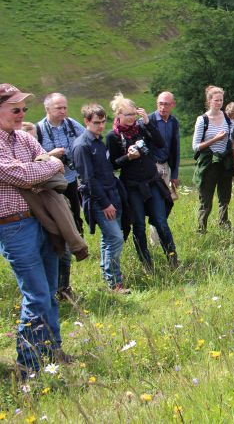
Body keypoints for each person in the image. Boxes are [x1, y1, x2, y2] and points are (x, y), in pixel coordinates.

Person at [0, 83, 71, 377]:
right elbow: (17, 173)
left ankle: (52, 350)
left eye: (24, 109)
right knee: (37, 295)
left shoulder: (22, 139)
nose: (21, 114)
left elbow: (55, 166)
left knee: (49, 291)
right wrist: (47, 163)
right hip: (14, 225)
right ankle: (28, 364)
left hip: (42, 220)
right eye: (15, 109)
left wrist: (46, 164)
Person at [107, 93, 177, 270]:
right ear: (118, 116)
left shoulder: (141, 127)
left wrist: (148, 122)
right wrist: (128, 157)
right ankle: (147, 264)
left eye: (133, 114)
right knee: (138, 224)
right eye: (127, 115)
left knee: (161, 221)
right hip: (132, 186)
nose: (131, 118)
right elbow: (113, 164)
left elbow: (160, 144)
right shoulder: (113, 136)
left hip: (152, 181)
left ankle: (173, 260)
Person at [73, 104, 130, 293]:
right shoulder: (82, 145)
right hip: (99, 200)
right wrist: (105, 204)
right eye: (96, 122)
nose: (100, 126)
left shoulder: (99, 141)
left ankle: (110, 280)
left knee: (109, 239)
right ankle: (115, 283)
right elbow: (88, 180)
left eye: (103, 122)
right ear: (86, 121)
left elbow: (107, 168)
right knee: (116, 238)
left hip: (113, 193)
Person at [35, 92, 86, 300]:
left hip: (72, 181)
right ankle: (55, 287)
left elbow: (88, 138)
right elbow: (33, 159)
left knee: (72, 226)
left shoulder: (72, 124)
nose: (63, 111)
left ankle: (64, 286)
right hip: (48, 188)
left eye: (65, 107)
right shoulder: (37, 130)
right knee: (56, 235)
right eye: (59, 108)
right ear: (48, 109)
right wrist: (51, 155)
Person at [192, 85, 234, 232]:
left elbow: (233, 137)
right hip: (208, 163)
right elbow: (196, 146)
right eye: (216, 100)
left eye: (221, 100)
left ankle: (224, 224)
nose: (219, 103)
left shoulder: (228, 118)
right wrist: (214, 139)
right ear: (209, 101)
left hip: (225, 162)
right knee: (206, 198)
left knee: (225, 196)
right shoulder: (202, 120)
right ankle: (201, 228)